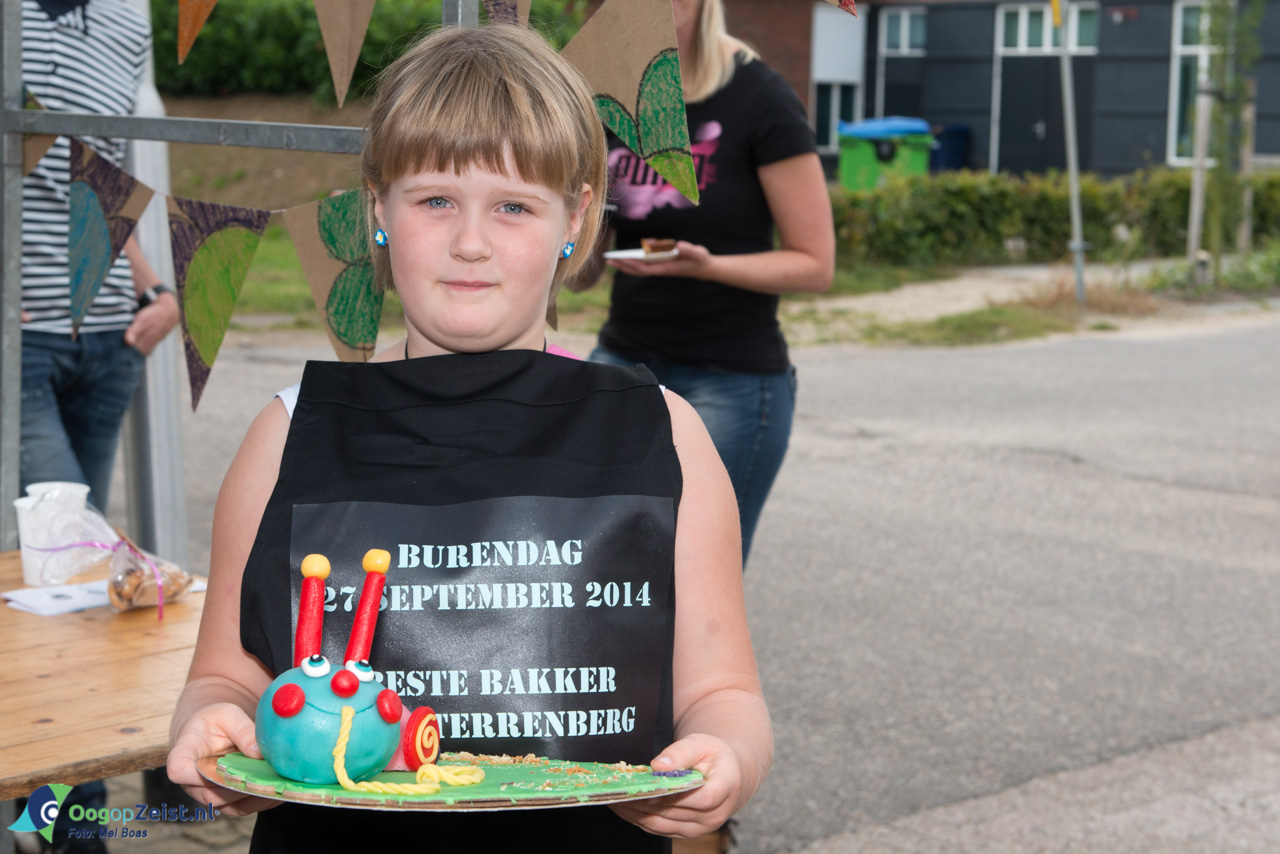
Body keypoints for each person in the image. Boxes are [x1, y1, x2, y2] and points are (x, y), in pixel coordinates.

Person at [166, 25, 771, 853]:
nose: (471, 242)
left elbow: (724, 691)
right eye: (436, 200)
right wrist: (216, 729)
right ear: (378, 208)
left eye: (514, 206)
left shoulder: (663, 433)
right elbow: (224, 676)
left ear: (578, 217)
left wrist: (728, 754)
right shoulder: (285, 433)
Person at [572, 0, 835, 565]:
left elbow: (816, 264)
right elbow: (580, 279)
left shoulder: (759, 96)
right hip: (623, 364)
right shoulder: (608, 98)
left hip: (732, 379)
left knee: (697, 577)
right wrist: (574, 232)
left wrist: (707, 265)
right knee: (603, 572)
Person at [20, 0, 179, 514]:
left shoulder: (128, 25)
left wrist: (155, 291)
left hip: (113, 335)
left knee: (70, 566)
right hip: (20, 337)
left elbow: (99, 178)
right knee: (70, 536)